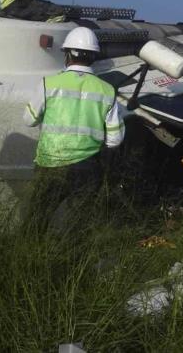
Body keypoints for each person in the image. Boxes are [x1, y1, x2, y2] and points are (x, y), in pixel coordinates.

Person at [23, 27, 124, 232]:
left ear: (68, 54)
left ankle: (30, 258)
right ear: (94, 57)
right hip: (88, 168)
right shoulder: (107, 90)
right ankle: (73, 261)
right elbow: (115, 140)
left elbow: (28, 120)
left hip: (50, 163)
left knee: (36, 221)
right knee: (78, 226)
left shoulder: (49, 83)